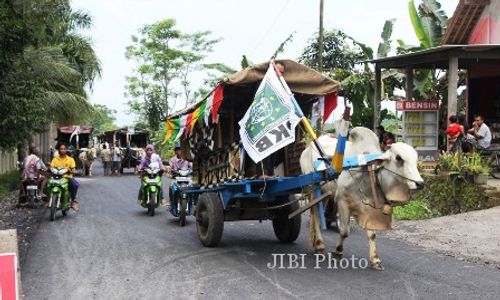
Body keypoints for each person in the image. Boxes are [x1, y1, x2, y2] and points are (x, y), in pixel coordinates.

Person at [50, 142, 80, 211]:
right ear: (59, 150)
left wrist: (73, 171)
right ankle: (49, 199)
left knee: (75, 184)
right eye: (61, 149)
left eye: (64, 149)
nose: (63, 150)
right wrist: (49, 169)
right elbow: (51, 167)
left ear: (66, 150)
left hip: (67, 178)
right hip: (56, 178)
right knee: (48, 183)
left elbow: (74, 169)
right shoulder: (55, 159)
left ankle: (73, 202)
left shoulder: (70, 159)